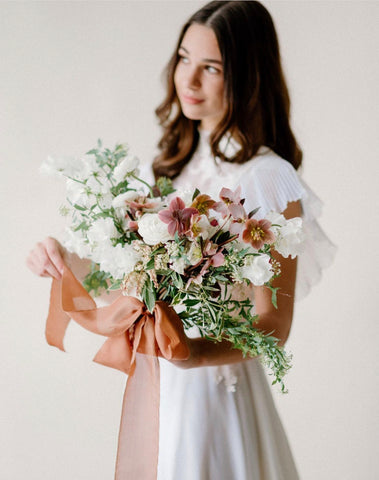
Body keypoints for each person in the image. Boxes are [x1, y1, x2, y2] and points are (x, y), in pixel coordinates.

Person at [27, 2, 336, 479]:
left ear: (248, 76)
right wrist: (65, 260)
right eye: (184, 58)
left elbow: (274, 321)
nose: (188, 81)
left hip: (218, 391)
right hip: (165, 388)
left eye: (210, 67)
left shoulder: (267, 178)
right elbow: (136, 288)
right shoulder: (174, 167)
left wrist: (197, 356)